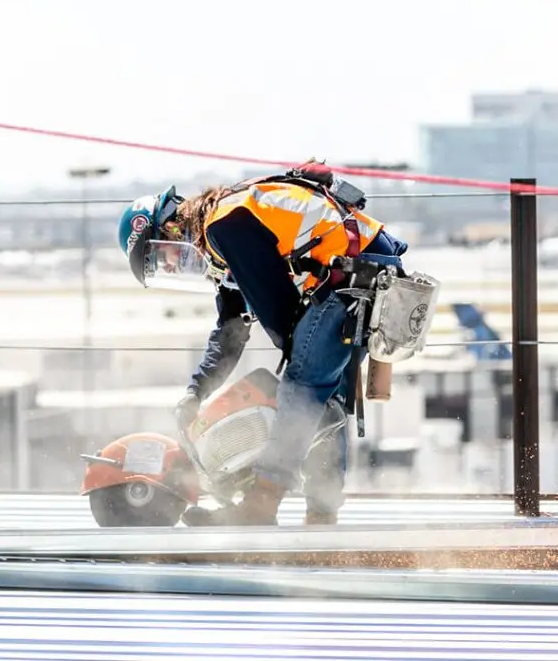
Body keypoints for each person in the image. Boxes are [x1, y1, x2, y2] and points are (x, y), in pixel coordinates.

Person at [115, 165, 409, 526]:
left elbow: (279, 309)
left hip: (357, 273)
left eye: (163, 255)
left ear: (174, 227)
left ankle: (261, 504)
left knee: (301, 387)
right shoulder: (222, 245)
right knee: (322, 396)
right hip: (365, 271)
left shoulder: (226, 225)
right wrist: (196, 392)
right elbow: (231, 330)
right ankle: (321, 513)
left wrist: (290, 371)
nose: (173, 264)